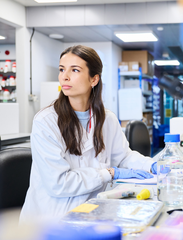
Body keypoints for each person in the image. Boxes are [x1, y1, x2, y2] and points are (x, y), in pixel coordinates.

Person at [20, 45, 156, 222]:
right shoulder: (45, 122)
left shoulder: (107, 119)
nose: (64, 76)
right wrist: (109, 173)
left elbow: (123, 157)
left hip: (93, 211)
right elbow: (59, 183)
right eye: (62, 69)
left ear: (94, 79)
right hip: (52, 219)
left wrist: (151, 165)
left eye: (74, 70)